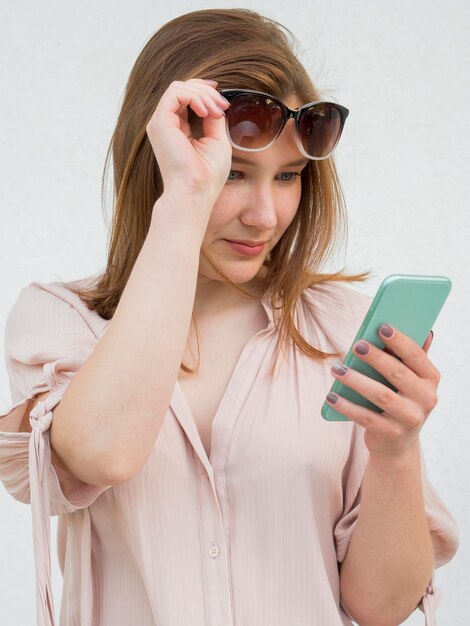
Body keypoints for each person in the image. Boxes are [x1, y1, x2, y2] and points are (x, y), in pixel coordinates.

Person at [0, 8, 458, 626]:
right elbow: (102, 455)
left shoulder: (343, 330)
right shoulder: (61, 320)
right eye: (236, 174)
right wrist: (187, 199)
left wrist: (397, 451)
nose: (266, 216)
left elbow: (380, 607)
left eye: (290, 176)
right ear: (157, 160)